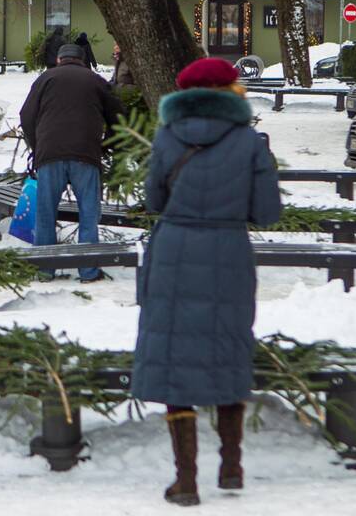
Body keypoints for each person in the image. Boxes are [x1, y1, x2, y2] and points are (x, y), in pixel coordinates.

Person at [131, 57, 282, 506]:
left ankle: (186, 481)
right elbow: (268, 212)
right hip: (229, 253)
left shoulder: (167, 135)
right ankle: (232, 467)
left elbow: (153, 198)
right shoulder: (249, 141)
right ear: (230, 92)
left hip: (175, 250)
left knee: (176, 362)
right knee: (227, 352)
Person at [19, 43, 118, 283]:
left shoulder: (45, 79)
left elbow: (26, 116)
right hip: (86, 154)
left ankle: (45, 268)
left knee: (45, 213)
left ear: (59, 59)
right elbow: (117, 117)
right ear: (82, 60)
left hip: (50, 154)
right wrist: (105, 146)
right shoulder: (96, 80)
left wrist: (37, 145)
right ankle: (88, 270)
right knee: (89, 212)